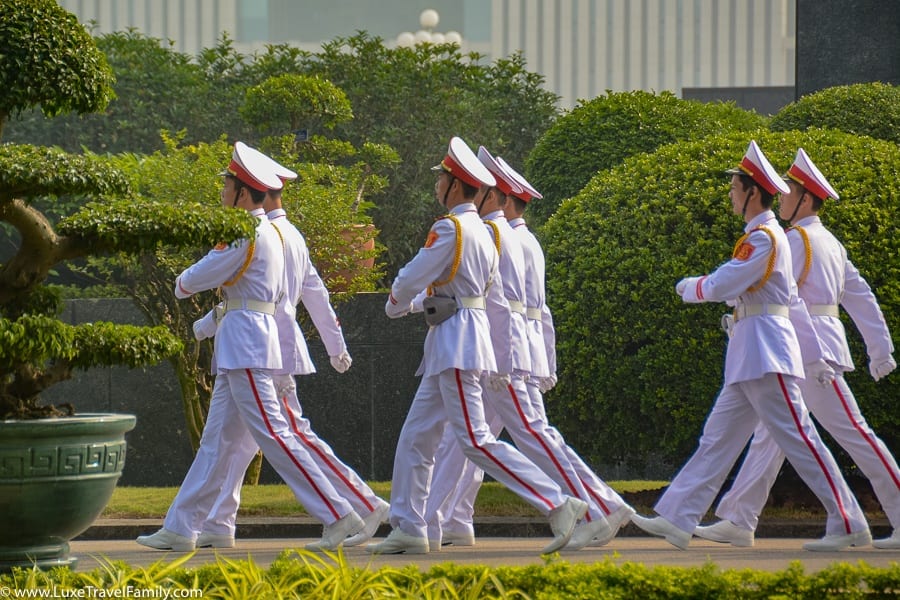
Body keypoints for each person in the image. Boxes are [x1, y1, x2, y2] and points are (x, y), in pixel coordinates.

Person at [631, 140, 871, 551]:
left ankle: (847, 519)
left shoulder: (764, 238)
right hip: (752, 354)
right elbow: (792, 303)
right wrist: (812, 352)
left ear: (752, 193)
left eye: (734, 187)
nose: (730, 194)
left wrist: (690, 287)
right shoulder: (764, 236)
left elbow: (726, 282)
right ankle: (676, 517)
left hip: (766, 355)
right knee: (717, 439)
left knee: (799, 438)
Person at [136, 142, 365, 552]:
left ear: (243, 193)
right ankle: (183, 526)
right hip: (246, 342)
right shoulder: (272, 232)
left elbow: (189, 283)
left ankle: (338, 515)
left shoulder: (246, 234)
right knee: (218, 442)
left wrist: (187, 275)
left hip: (247, 345)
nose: (222, 192)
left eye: (227, 185)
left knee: (276, 434)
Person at [367, 136, 588, 555]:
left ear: (455, 186)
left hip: (457, 343)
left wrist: (396, 302)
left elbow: (414, 274)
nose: (437, 185)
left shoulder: (450, 228)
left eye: (443, 178)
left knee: (475, 439)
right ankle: (410, 525)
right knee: (417, 436)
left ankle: (557, 502)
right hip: (456, 340)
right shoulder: (482, 232)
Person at [424, 149, 634, 552]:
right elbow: (539, 311)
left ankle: (598, 506)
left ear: (494, 196)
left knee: (529, 437)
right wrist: (545, 361)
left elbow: (500, 303)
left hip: (502, 353)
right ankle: (447, 517)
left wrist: (504, 360)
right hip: (515, 349)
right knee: (467, 439)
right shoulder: (525, 240)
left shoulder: (495, 235)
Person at [695, 148, 900, 550]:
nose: (782, 195)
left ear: (806, 198)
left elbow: (785, 296)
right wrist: (880, 350)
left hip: (806, 348)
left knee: (853, 434)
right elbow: (861, 297)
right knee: (772, 435)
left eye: (789, 190)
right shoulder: (830, 242)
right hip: (812, 345)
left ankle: (855, 522)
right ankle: (739, 517)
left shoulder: (792, 239)